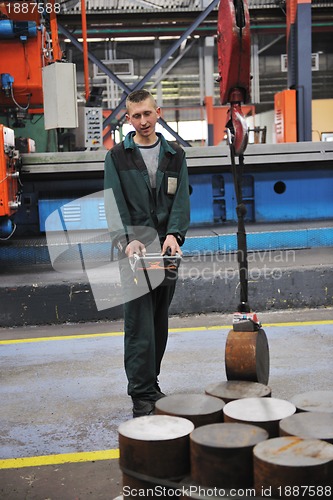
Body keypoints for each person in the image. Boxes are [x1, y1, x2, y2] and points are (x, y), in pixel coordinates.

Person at [104, 89, 190, 417]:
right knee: (139, 323)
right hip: (134, 251)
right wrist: (126, 239)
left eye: (147, 114)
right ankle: (140, 394)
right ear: (128, 119)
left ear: (159, 112)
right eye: (136, 116)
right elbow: (113, 202)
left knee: (158, 319)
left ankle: (151, 383)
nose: (143, 121)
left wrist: (174, 235)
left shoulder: (175, 156)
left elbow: (181, 199)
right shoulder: (117, 157)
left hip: (166, 250)